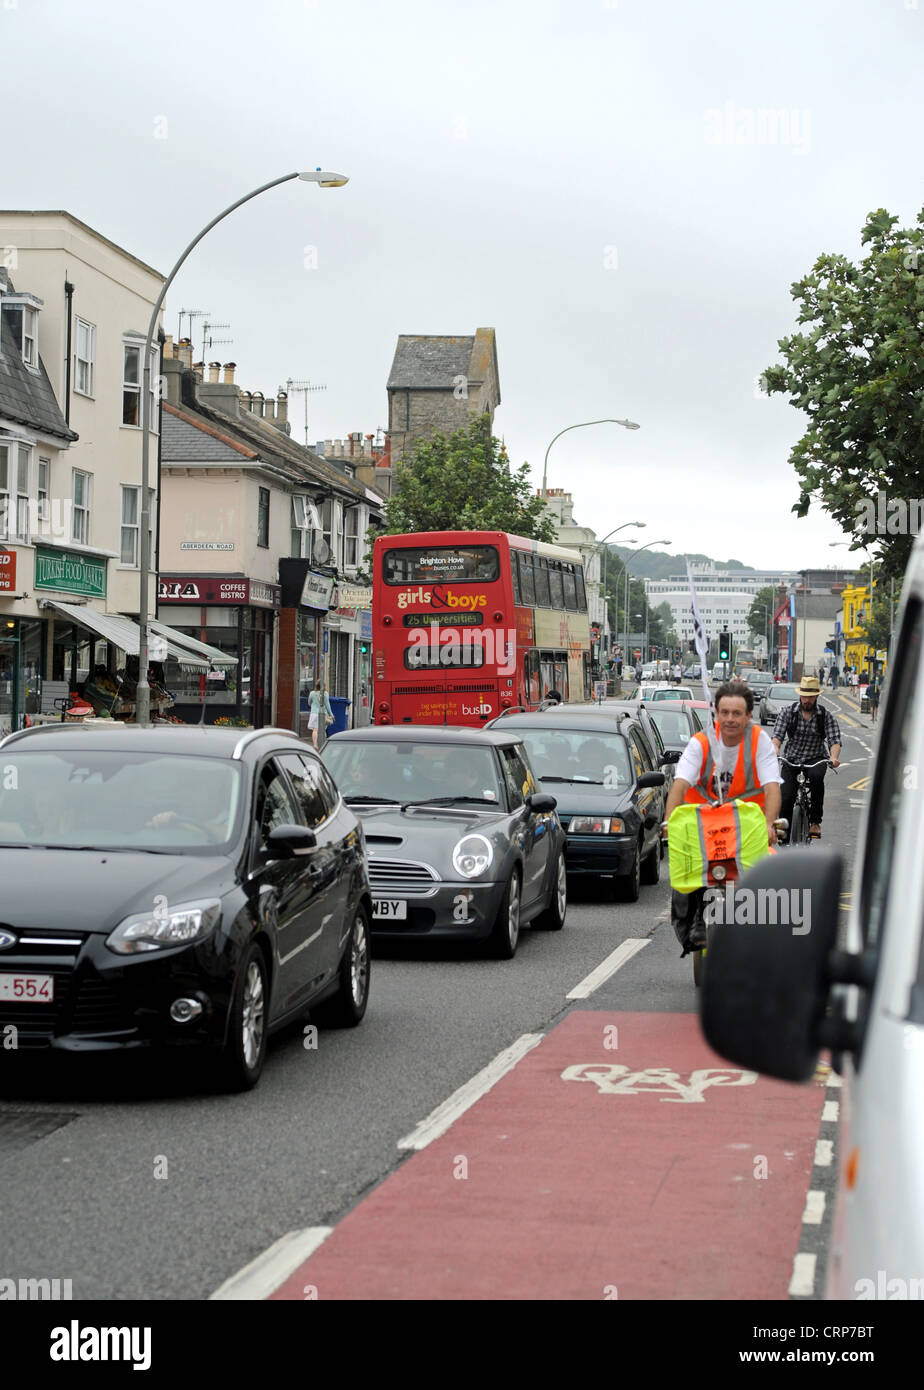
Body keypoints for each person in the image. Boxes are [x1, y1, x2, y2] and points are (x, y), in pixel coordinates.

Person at [663, 680, 782, 952]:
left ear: (749, 716)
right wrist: (669, 822)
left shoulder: (759, 741)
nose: (730, 719)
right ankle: (696, 914)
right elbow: (679, 786)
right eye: (724, 712)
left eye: (737, 713)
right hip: (703, 824)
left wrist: (769, 824)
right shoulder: (700, 742)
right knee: (687, 871)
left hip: (745, 826)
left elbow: (772, 787)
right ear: (716, 713)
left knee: (769, 874)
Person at [771, 675, 841, 839]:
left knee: (817, 779)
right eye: (804, 696)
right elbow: (777, 736)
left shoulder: (825, 715)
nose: (807, 700)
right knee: (786, 795)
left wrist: (834, 757)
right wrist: (775, 749)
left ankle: (815, 822)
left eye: (810, 697)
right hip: (791, 759)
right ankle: (784, 831)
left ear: (817, 696)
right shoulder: (788, 713)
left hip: (815, 758)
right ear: (799, 695)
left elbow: (834, 740)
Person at [307, 680, 334, 748]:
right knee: (322, 729)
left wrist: (313, 706)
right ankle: (323, 744)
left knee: (315, 730)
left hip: (314, 713)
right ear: (324, 686)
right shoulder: (325, 693)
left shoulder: (312, 693)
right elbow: (327, 705)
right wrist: (331, 714)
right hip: (322, 714)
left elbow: (309, 703)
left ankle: (315, 744)